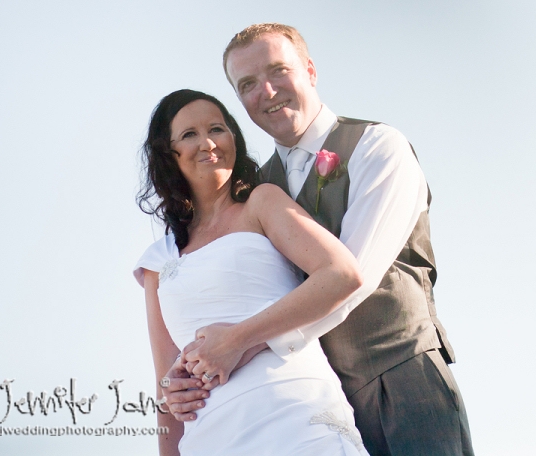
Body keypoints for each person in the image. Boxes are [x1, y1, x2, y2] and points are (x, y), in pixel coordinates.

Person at [163, 24, 474, 455]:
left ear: (309, 70)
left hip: (402, 381)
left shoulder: (377, 146)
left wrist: (241, 343)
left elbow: (354, 277)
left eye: (278, 71)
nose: (267, 91)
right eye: (248, 84)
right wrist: (184, 376)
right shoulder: (255, 192)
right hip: (317, 404)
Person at [134, 89, 370, 456]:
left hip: (295, 414)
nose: (208, 142)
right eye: (190, 134)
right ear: (168, 153)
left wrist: (236, 341)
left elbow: (341, 274)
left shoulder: (262, 202)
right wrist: (171, 395)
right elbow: (165, 382)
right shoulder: (157, 262)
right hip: (212, 437)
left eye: (217, 128)